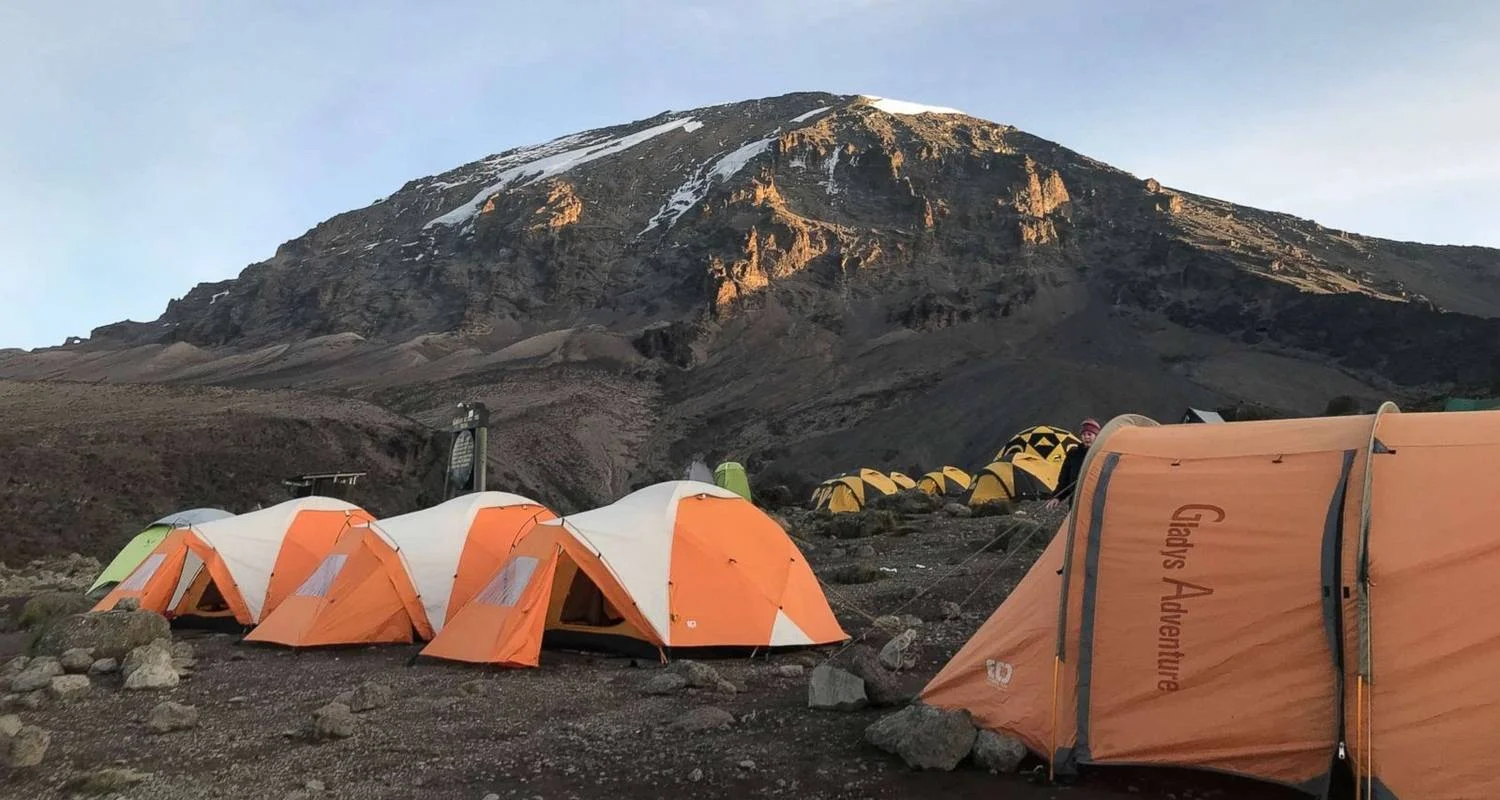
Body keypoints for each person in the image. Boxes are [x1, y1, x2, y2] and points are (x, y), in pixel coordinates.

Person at [1046, 418, 1100, 509]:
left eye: (1089, 434)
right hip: (1075, 502)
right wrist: (1057, 497)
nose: (1086, 437)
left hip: (1096, 503)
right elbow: (1064, 480)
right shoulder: (1073, 454)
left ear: (1096, 436)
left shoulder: (1101, 454)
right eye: (1083, 434)